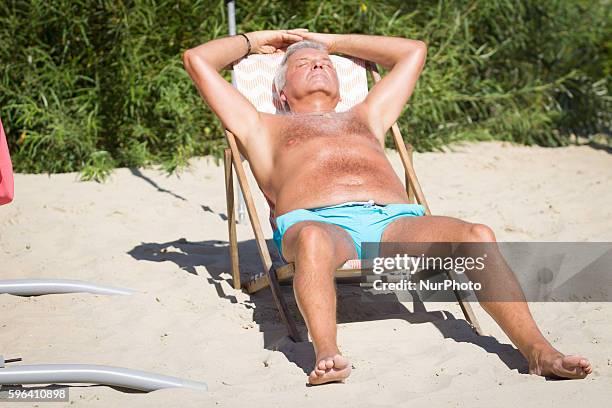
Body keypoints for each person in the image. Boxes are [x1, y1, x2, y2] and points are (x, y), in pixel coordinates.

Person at [182, 29, 592, 385]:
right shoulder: (261, 125)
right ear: (280, 90)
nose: (319, 64)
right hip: (318, 225)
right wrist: (257, 41)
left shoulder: (367, 114)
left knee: (476, 235)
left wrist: (333, 42)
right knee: (311, 242)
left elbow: (413, 50)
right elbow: (196, 60)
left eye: (326, 63)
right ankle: (327, 351)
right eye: (304, 63)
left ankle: (539, 351)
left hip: (393, 224)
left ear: (342, 84)